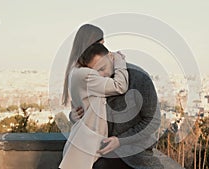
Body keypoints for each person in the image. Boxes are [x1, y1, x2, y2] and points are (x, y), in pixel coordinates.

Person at [69, 25, 164, 169]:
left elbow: (153, 120)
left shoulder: (137, 76)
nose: (100, 75)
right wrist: (74, 116)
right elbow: (89, 115)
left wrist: (120, 141)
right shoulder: (92, 81)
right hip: (101, 155)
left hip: (136, 156)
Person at [59, 43, 129, 169]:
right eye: (99, 70)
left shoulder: (76, 72)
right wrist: (119, 62)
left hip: (86, 145)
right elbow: (120, 86)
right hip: (86, 146)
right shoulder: (85, 75)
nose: (102, 75)